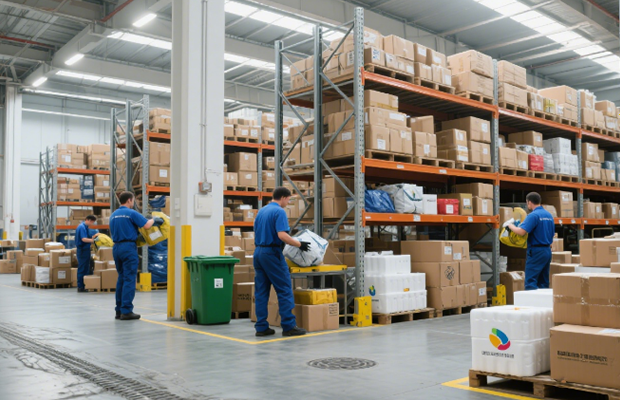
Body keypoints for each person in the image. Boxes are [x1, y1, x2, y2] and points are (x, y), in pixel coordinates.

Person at [253, 186, 311, 337]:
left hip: (258, 252)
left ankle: (261, 327)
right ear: (284, 197)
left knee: (261, 291)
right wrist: (299, 244)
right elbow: (282, 235)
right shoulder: (279, 212)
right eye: (289, 200)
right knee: (284, 288)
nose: (288, 203)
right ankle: (289, 326)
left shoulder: (262, 211)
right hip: (271, 253)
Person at [109, 191, 162, 321]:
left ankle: (118, 310)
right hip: (128, 247)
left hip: (116, 247)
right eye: (133, 200)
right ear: (129, 200)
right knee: (129, 278)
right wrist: (154, 219)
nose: (133, 203)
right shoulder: (131, 213)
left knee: (121, 278)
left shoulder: (113, 215)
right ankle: (126, 311)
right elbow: (147, 225)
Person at [507, 192, 555, 290]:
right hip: (547, 251)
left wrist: (510, 225)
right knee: (543, 282)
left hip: (536, 251)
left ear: (529, 202)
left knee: (530, 281)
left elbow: (521, 232)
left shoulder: (533, 216)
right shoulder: (549, 215)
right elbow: (552, 233)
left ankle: (530, 300)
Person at [75, 215, 100, 293]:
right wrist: (94, 241)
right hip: (82, 250)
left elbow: (89, 236)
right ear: (88, 220)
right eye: (92, 222)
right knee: (82, 268)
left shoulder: (85, 227)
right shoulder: (82, 227)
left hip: (85, 250)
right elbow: (83, 239)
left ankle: (84, 285)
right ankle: (80, 286)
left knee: (86, 268)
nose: (92, 223)